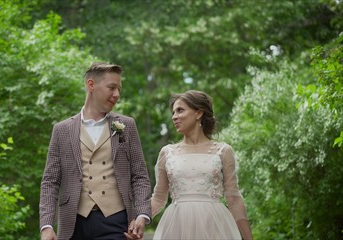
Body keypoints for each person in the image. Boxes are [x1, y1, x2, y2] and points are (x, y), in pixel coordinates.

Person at [39, 62, 152, 240]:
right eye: (112, 88)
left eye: (119, 89)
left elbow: (140, 176)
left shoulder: (127, 125)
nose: (117, 95)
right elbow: (50, 182)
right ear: (91, 85)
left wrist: (141, 215)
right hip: (73, 223)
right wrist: (46, 226)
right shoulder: (61, 130)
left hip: (117, 222)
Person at [148, 90, 252, 239]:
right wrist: (137, 219)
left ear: (198, 113)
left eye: (180, 110)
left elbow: (234, 198)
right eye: (173, 112)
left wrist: (248, 238)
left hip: (215, 226)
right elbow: (158, 199)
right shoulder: (167, 153)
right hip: (177, 227)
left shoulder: (223, 151)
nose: (174, 117)